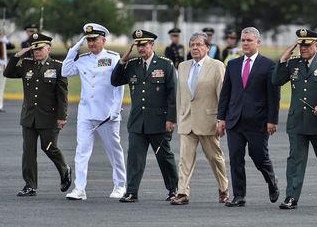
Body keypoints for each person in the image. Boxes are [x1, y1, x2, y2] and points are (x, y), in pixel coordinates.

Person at [272, 29, 317, 209]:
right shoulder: (293, 63)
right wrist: (283, 59)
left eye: (307, 45)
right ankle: (291, 197)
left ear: (316, 45)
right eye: (301, 45)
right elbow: (276, 80)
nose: (303, 48)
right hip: (298, 122)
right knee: (295, 160)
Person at [111, 29, 179, 203]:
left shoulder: (165, 64)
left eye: (143, 45)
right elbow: (115, 81)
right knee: (134, 157)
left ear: (152, 45)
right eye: (138, 45)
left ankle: (173, 189)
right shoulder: (132, 64)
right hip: (137, 121)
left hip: (159, 121)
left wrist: (171, 119)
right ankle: (132, 192)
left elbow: (173, 94)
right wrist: (122, 60)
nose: (140, 49)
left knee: (164, 157)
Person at [217, 27, 280, 207]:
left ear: (258, 42)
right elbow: (225, 94)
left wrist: (272, 120)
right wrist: (221, 119)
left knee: (259, 156)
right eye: (243, 40)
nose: (245, 43)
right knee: (236, 158)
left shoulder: (269, 66)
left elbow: (274, 97)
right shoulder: (233, 65)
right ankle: (239, 196)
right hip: (234, 121)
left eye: (249, 40)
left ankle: (271, 181)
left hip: (258, 122)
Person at [62, 23, 126, 200]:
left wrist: (115, 109)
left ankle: (120, 185)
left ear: (103, 40)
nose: (91, 43)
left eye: (94, 40)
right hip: (86, 114)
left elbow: (118, 85)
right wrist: (75, 48)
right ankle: (79, 189)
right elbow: (65, 70)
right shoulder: (82, 59)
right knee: (81, 151)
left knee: (114, 151)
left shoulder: (113, 58)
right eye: (88, 40)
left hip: (107, 115)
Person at [4, 33, 71, 196]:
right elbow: (8, 72)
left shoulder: (57, 66)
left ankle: (65, 170)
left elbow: (62, 95)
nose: (37, 52)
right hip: (29, 116)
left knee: (49, 148)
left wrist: (62, 117)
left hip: (49, 117)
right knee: (28, 152)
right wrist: (18, 54)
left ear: (48, 48)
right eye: (34, 49)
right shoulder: (27, 64)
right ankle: (30, 185)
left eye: (40, 48)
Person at [170, 32, 229, 205]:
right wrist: (179, 116)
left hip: (209, 120)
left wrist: (221, 119)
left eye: (199, 45)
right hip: (187, 120)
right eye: (192, 45)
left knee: (215, 157)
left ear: (207, 48)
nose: (195, 48)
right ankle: (182, 193)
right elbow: (180, 95)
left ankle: (223, 189)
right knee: (184, 159)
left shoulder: (217, 66)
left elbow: (222, 95)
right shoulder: (183, 66)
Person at [0, 29, 15, 112]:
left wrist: (6, 40)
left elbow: (12, 46)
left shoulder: (3, 43)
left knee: (1, 87)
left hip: (2, 68)